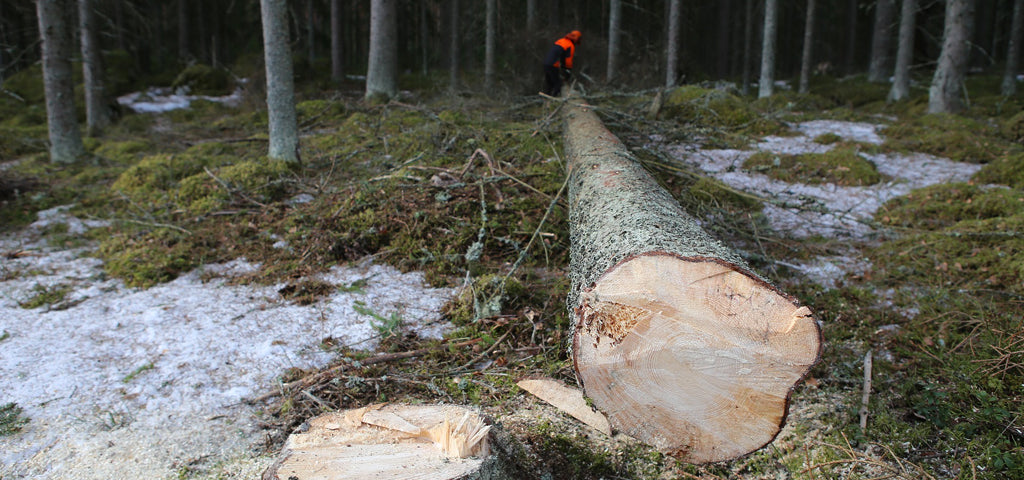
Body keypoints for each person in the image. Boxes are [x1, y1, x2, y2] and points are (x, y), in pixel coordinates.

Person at [542, 30, 581, 97]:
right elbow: (568, 61)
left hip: (546, 62)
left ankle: (547, 100)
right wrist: (567, 73)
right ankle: (554, 100)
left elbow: (561, 57)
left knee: (549, 84)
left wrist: (562, 67)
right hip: (553, 64)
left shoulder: (561, 41)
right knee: (558, 84)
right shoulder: (570, 45)